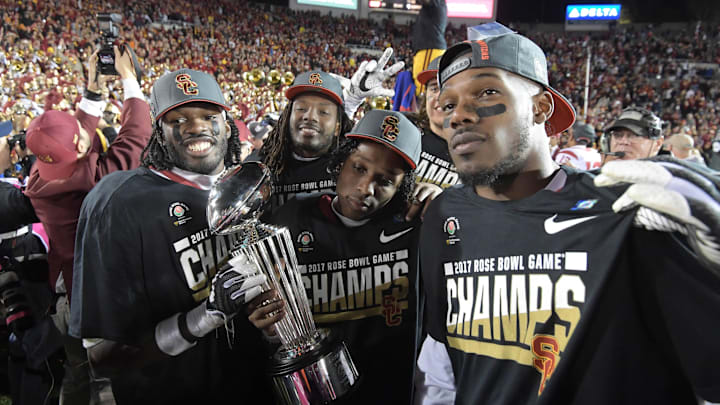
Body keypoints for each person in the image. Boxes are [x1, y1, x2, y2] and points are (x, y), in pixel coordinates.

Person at [415, 27, 720, 405]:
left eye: (487, 92)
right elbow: (442, 364)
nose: (458, 115)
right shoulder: (444, 215)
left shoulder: (627, 212)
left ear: (541, 107)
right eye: (447, 105)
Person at [69, 68, 272, 404]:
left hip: (250, 386)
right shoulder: (118, 202)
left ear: (227, 122)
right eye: (177, 119)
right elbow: (104, 357)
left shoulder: (248, 187)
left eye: (208, 115)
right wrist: (203, 318)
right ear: (158, 131)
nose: (196, 127)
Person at [244, 110, 438, 404]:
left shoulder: (415, 229)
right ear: (340, 163)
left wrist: (448, 201)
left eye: (385, 181)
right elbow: (271, 314)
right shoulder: (292, 217)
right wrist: (270, 327)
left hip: (387, 390)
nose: (365, 188)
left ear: (402, 188)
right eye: (359, 168)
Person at [23, 45, 151, 405]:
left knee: (77, 373)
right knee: (112, 381)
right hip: (101, 297)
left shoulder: (39, 176)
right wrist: (128, 79)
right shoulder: (93, 181)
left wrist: (94, 91)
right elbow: (136, 138)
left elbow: (72, 136)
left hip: (69, 296)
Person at [413, 56, 460, 188]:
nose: (440, 97)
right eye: (434, 88)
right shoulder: (405, 130)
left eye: (449, 88)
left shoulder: (479, 152)